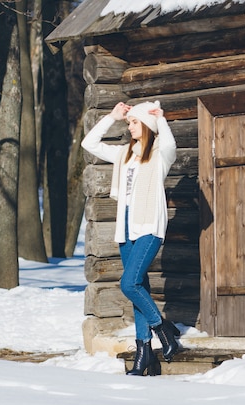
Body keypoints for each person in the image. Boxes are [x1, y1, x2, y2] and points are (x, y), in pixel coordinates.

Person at [82, 101, 179, 376]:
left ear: (146, 126)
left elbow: (170, 143)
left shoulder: (160, 154)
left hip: (149, 226)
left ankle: (163, 330)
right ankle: (143, 352)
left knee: (129, 283)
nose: (129, 126)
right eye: (128, 123)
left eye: (133, 122)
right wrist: (112, 117)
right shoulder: (124, 154)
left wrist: (160, 119)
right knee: (139, 288)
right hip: (125, 228)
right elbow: (89, 143)